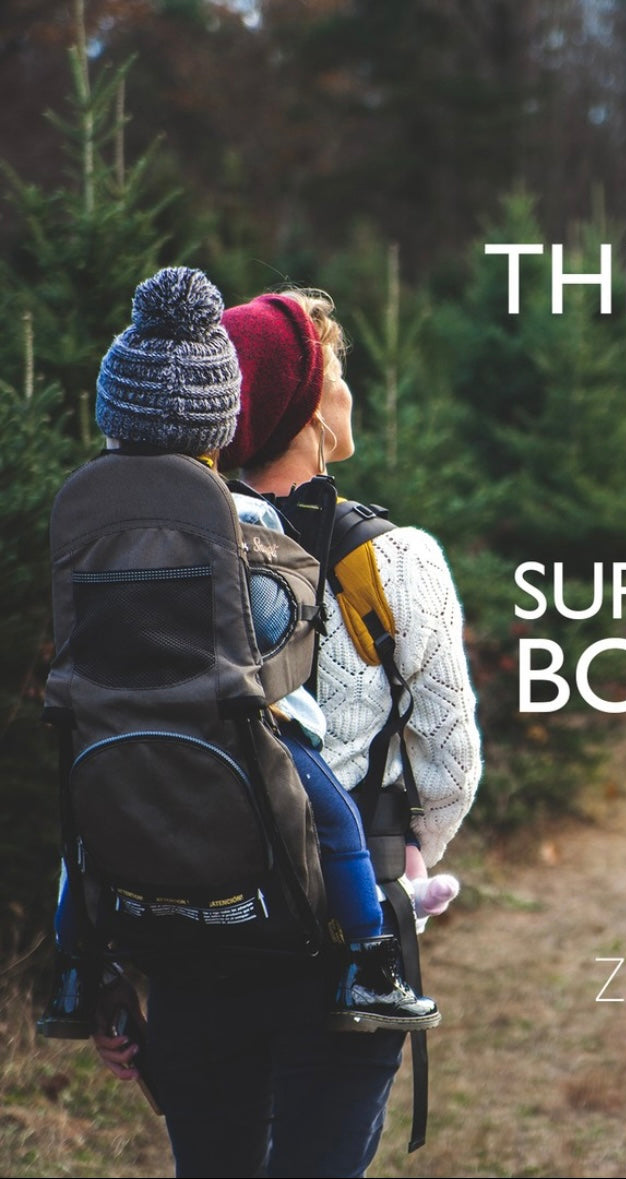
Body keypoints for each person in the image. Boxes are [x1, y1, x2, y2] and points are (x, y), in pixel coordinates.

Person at [89, 274, 482, 1176]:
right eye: (337, 370)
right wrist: (408, 859)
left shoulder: (159, 554)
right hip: (341, 952)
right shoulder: (393, 560)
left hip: (191, 932)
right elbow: (449, 762)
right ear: (307, 404)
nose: (349, 389)